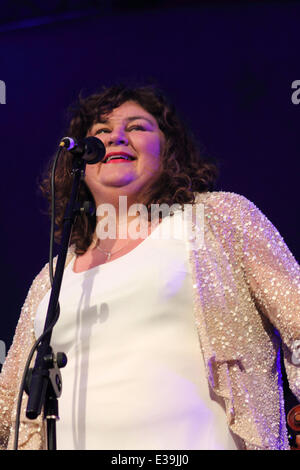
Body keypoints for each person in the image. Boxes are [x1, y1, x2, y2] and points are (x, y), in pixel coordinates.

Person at [0, 84, 299, 451]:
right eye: (101, 132)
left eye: (138, 127)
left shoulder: (218, 220)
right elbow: (9, 403)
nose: (118, 138)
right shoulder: (52, 276)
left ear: (168, 149)